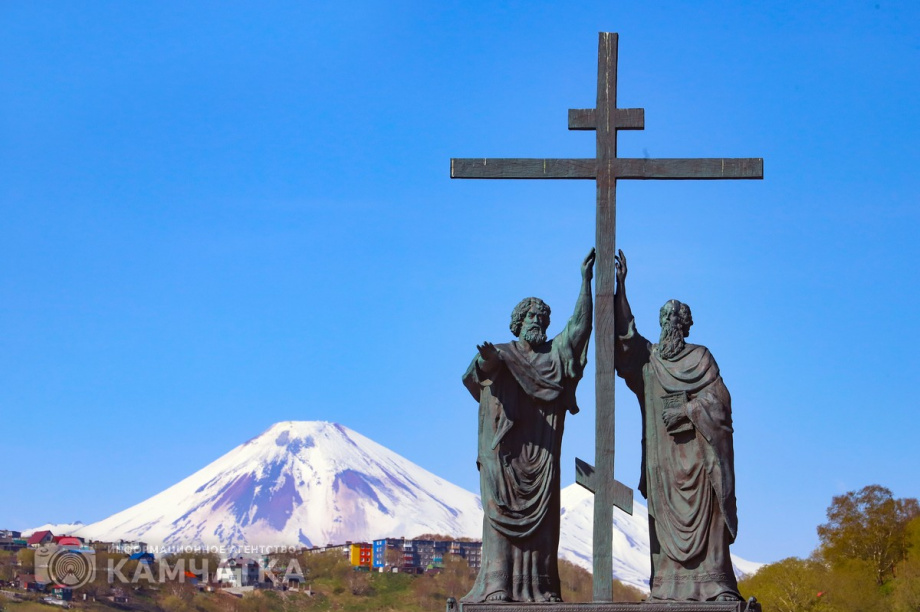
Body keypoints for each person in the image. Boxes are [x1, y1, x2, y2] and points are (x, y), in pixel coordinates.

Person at [461, 248, 595, 603]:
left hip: (542, 454)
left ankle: (539, 588)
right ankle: (497, 585)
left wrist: (586, 283)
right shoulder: (501, 353)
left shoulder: (554, 357)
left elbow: (580, 330)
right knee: (500, 517)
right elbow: (475, 375)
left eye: (542, 317)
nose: (537, 321)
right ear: (517, 321)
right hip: (504, 459)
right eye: (531, 316)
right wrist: (489, 364)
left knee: (544, 526)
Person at [613, 249, 742, 602]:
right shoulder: (649, 361)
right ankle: (667, 587)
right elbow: (624, 339)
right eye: (665, 318)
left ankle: (716, 585)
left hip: (700, 462)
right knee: (663, 526)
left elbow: (721, 403)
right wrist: (621, 287)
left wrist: (687, 410)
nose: (670, 323)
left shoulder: (700, 357)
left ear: (685, 325)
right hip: (663, 464)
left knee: (710, 517)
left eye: (676, 318)